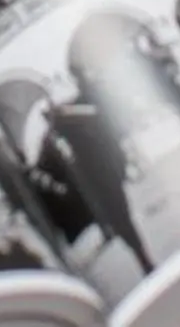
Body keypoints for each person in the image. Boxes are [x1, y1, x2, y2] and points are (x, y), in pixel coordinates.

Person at [45, 100, 150, 268]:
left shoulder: (70, 120)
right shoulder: (62, 128)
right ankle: (141, 255)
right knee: (121, 219)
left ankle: (141, 255)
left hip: (100, 174)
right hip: (96, 177)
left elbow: (96, 118)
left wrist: (59, 117)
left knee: (121, 218)